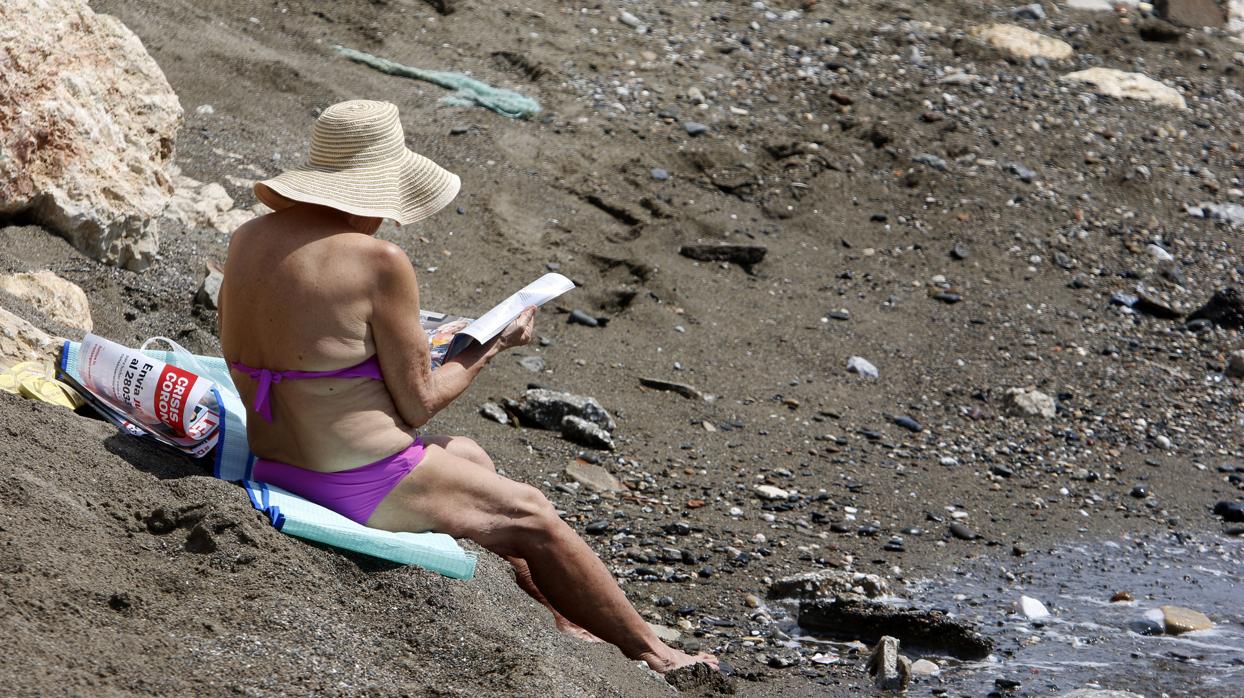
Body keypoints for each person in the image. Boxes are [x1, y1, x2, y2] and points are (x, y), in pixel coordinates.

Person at [218, 100, 716, 673]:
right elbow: (419, 404)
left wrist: (415, 349)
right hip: (351, 478)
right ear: (381, 189)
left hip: (276, 458)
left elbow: (299, 350)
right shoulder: (380, 260)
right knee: (531, 513)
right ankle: (658, 652)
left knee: (471, 458)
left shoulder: (249, 239)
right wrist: (492, 345)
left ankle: (566, 616)